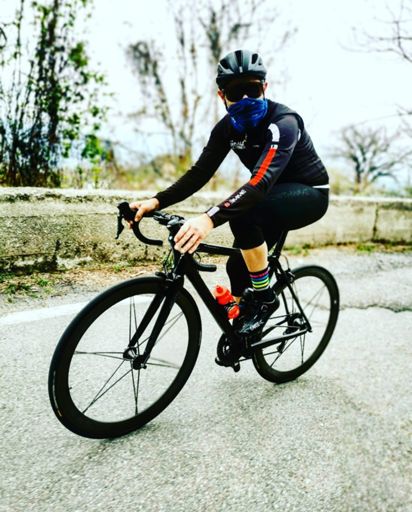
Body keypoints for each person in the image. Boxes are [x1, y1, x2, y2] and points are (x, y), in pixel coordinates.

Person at [129, 49, 329, 337]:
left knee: (244, 217)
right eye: (236, 92)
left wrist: (208, 219)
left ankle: (265, 300)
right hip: (268, 197)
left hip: (309, 194)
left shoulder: (284, 123)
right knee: (237, 266)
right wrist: (156, 201)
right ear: (222, 96)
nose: (246, 98)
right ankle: (243, 332)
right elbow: (199, 173)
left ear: (265, 88)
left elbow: (260, 182)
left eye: (253, 89)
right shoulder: (227, 129)